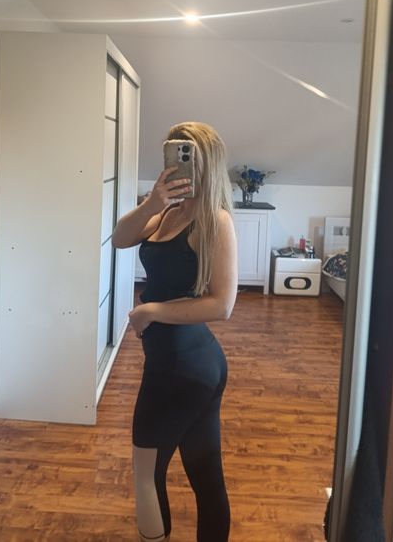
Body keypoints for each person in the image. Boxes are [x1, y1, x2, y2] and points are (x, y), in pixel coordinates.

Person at [112, 121, 238, 542]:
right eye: (173, 154)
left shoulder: (214, 220)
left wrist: (151, 310)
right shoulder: (168, 212)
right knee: (205, 473)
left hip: (180, 369)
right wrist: (153, 202)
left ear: (206, 164)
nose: (177, 165)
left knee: (145, 476)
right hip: (189, 365)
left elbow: (222, 304)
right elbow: (120, 238)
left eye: (187, 157)